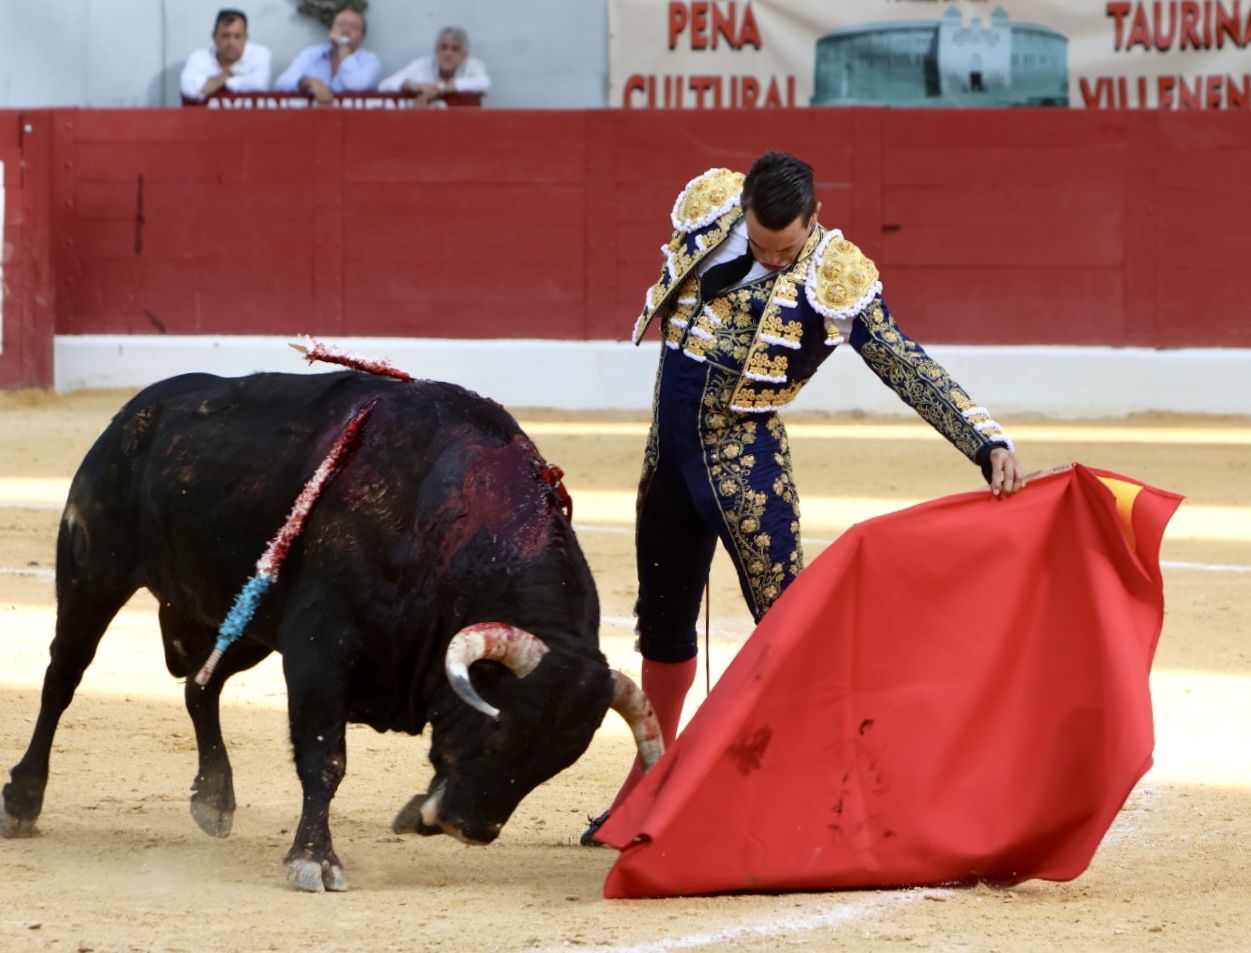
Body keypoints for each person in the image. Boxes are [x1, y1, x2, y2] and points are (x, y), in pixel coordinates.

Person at [582, 151, 1026, 844]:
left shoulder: (832, 274)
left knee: (787, 632)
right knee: (662, 625)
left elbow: (903, 360)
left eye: (782, 248)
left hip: (745, 467)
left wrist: (982, 438)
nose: (766, 256)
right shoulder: (711, 210)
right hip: (667, 459)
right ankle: (647, 779)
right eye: (757, 242)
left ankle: (832, 792)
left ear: (813, 219)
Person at [274, 6, 381, 104]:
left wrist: (343, 47)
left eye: (353, 27)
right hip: (309, 118)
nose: (345, 31)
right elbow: (282, 83)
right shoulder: (311, 54)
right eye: (341, 25)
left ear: (362, 37)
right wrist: (309, 82)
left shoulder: (370, 61)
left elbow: (355, 85)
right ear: (331, 30)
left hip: (353, 120)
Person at [378, 26, 491, 107]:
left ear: (464, 55)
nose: (448, 54)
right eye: (443, 47)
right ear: (436, 50)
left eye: (455, 49)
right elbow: (383, 86)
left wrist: (439, 88)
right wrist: (409, 85)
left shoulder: (473, 65)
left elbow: (484, 83)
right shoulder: (423, 64)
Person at [179, 8, 271, 101]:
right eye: (225, 36)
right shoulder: (198, 58)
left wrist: (219, 82)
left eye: (237, 36)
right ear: (214, 36)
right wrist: (227, 75)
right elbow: (188, 90)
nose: (231, 42)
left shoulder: (259, 54)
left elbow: (259, 86)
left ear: (246, 38)